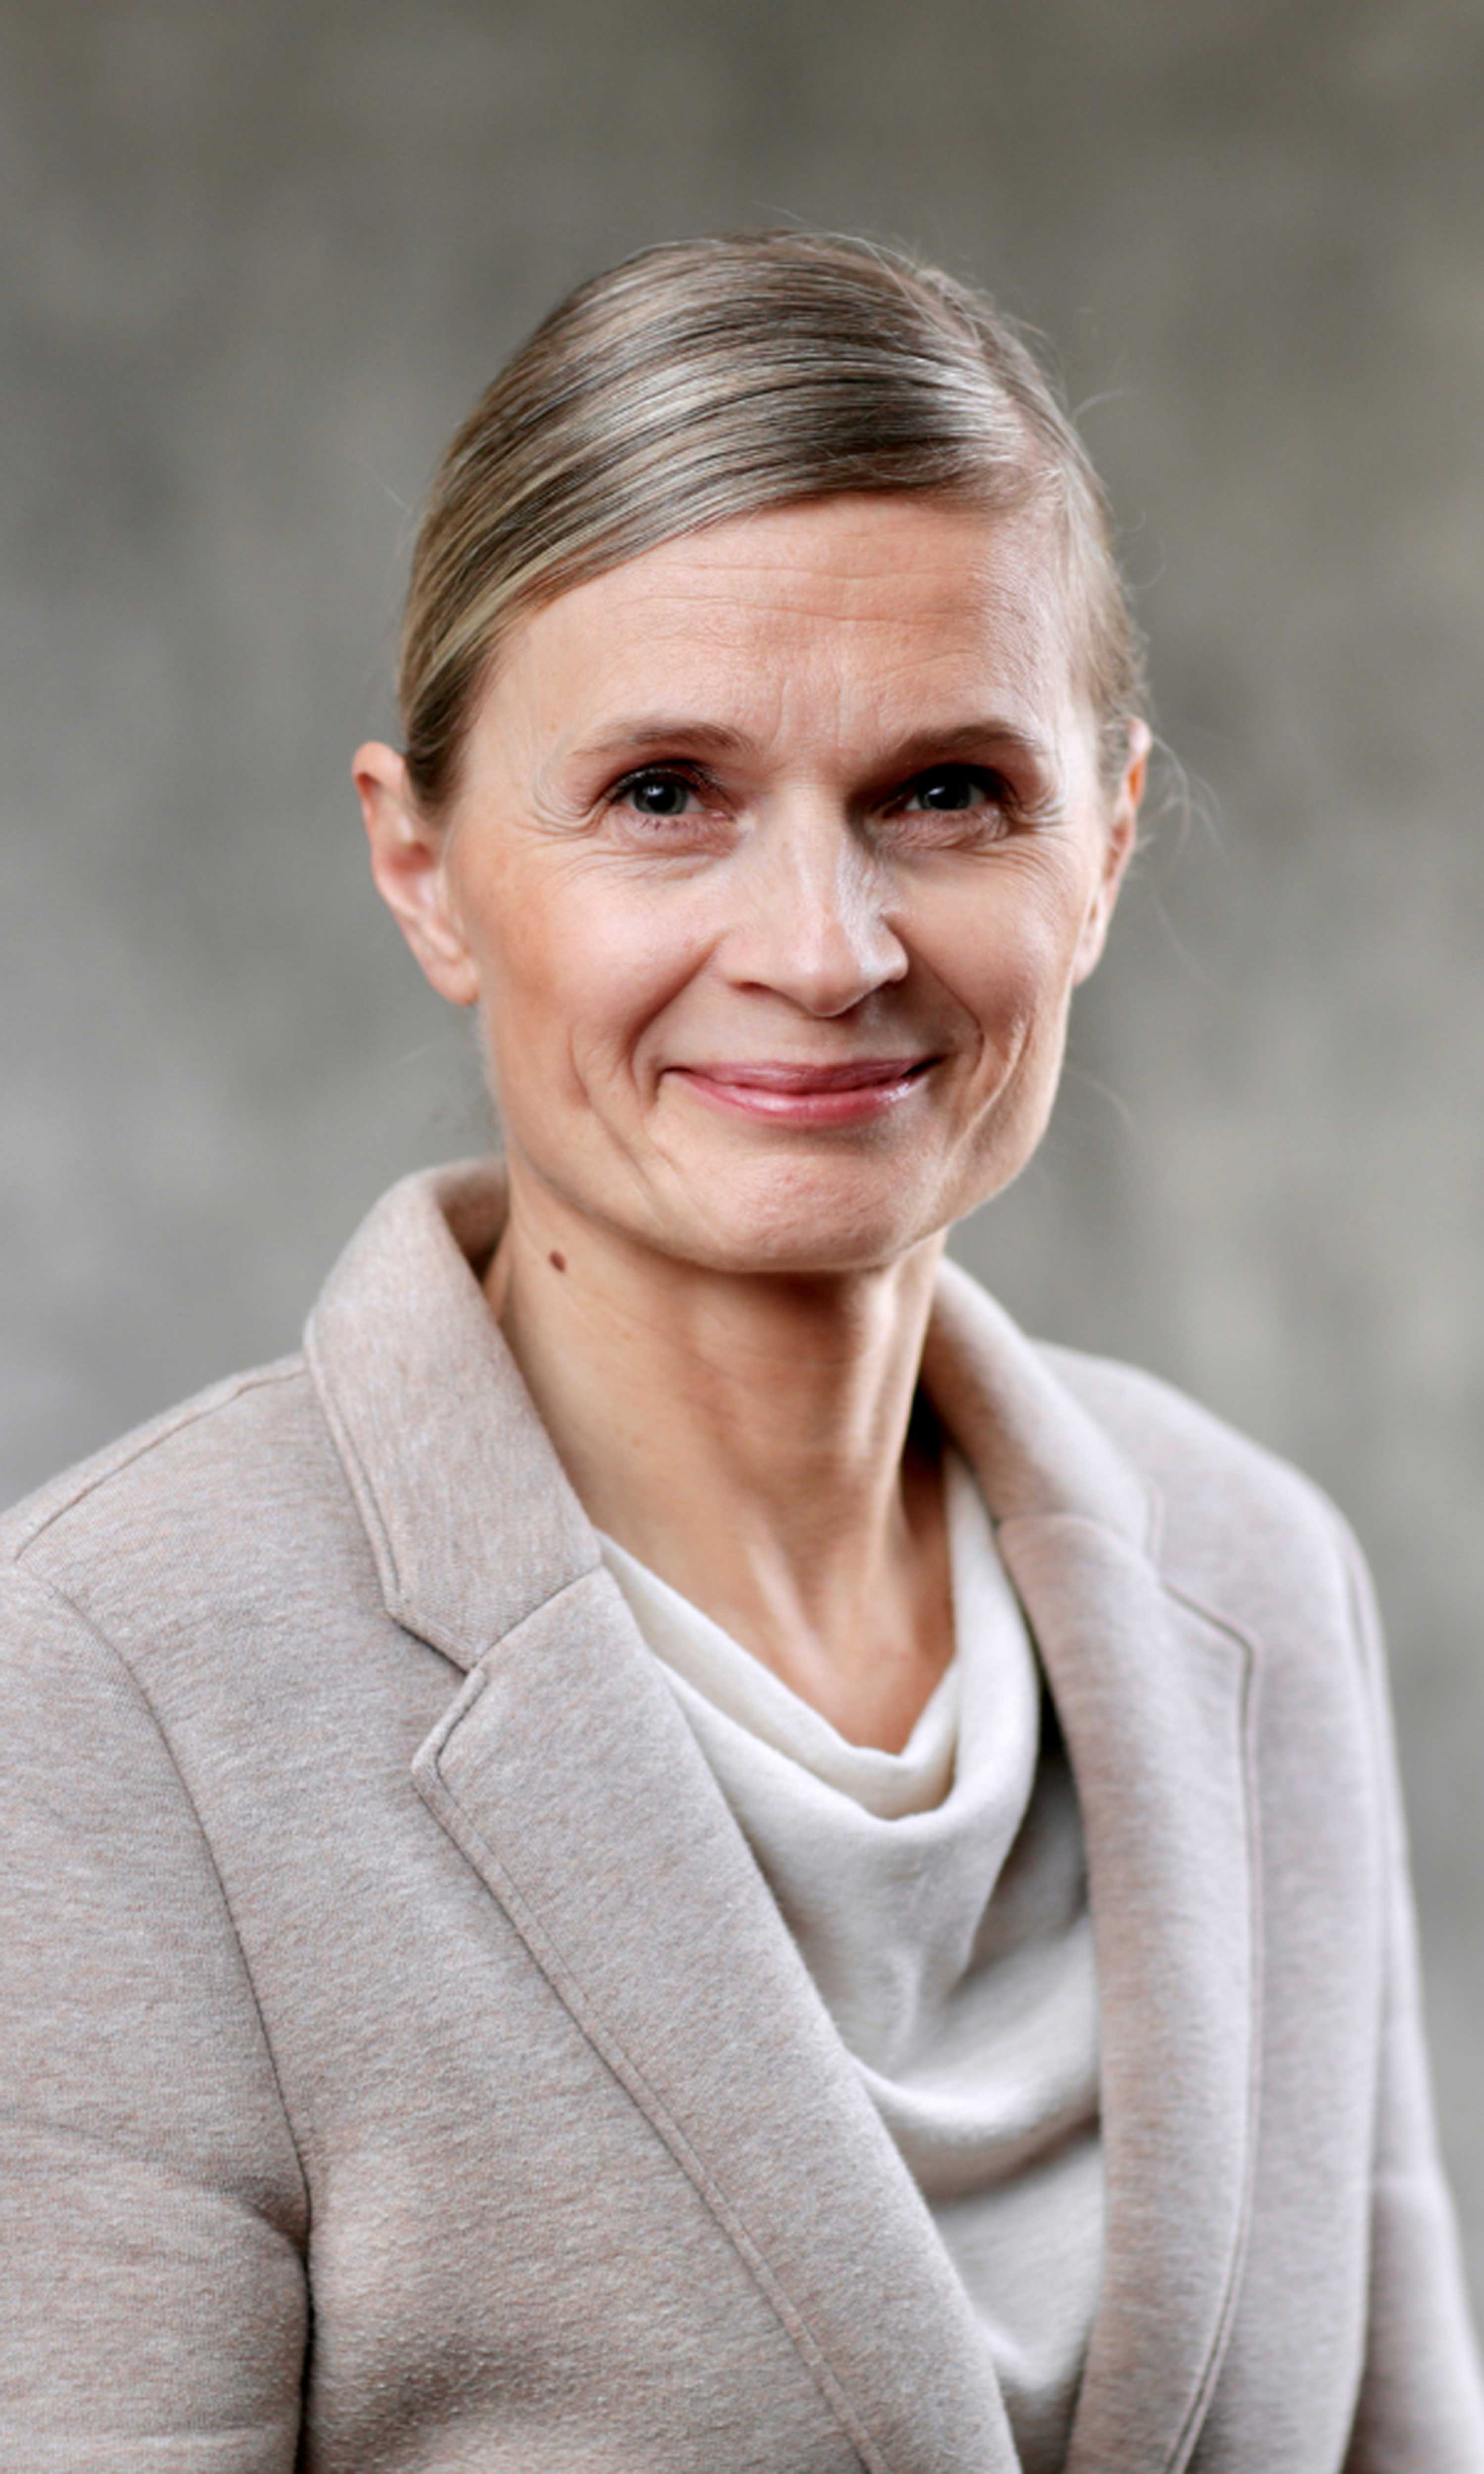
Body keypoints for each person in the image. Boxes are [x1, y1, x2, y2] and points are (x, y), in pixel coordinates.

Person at [1, 232, 1480, 2474]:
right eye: (665, 794)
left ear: (1102, 849)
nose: (824, 947)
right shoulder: (99, 1696)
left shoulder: (1259, 1582)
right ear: (424, 869)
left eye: (948, 789)